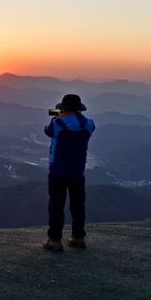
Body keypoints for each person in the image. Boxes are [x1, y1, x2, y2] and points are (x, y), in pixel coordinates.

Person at [42, 94, 95, 251]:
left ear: (63, 108)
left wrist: (56, 118)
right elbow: (81, 129)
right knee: (78, 205)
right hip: (78, 171)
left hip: (58, 171)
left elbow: (48, 131)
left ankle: (54, 239)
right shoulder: (89, 124)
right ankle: (78, 237)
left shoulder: (57, 123)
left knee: (56, 205)